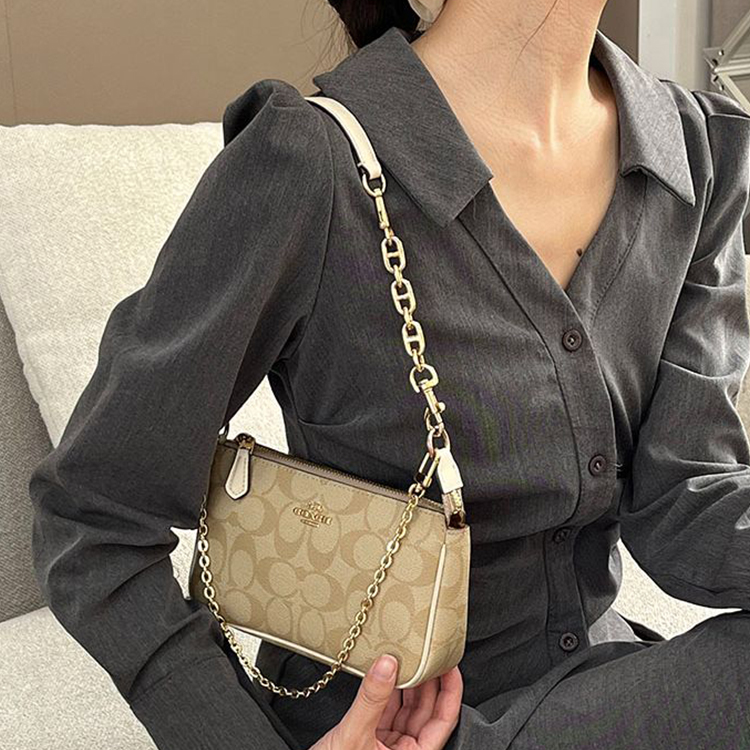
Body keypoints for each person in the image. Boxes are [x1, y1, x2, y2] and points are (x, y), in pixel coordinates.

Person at [27, 0, 750, 748]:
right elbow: (92, 513)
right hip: (384, 729)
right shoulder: (311, 162)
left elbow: (686, 498)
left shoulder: (699, 153)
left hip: (599, 692)